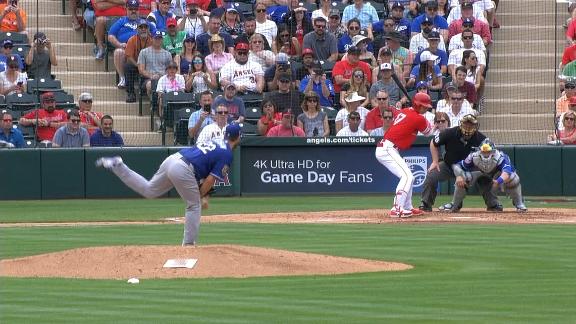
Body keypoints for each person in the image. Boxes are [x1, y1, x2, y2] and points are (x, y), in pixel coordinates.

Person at [95, 123, 242, 246]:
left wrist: (203, 194)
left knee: (149, 190)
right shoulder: (227, 154)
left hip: (174, 159)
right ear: (238, 137)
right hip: (184, 168)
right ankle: (189, 245)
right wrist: (200, 195)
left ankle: (118, 165)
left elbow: (205, 174)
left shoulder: (216, 141)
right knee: (194, 205)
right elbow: (210, 180)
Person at [419, 114, 501, 211]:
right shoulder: (449, 133)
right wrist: (435, 161)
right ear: (461, 124)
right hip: (448, 166)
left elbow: (491, 153)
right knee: (431, 175)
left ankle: (493, 204)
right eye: (466, 125)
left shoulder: (481, 139)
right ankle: (425, 204)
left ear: (476, 126)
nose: (468, 127)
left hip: (470, 168)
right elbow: (433, 143)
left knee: (485, 177)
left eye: (471, 125)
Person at [375, 93, 436, 217]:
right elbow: (428, 132)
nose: (426, 109)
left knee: (410, 177)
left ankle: (407, 206)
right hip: (388, 149)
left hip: (388, 148)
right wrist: (433, 124)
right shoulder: (418, 118)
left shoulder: (407, 111)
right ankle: (397, 208)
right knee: (407, 176)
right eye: (423, 106)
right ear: (417, 105)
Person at [442, 138, 528, 213]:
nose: (486, 153)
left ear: (493, 151)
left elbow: (507, 172)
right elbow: (458, 166)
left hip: (497, 177)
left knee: (513, 179)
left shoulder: (501, 157)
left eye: (488, 151)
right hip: (481, 176)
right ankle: (455, 204)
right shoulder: (473, 157)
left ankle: (519, 204)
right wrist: (459, 176)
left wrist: (498, 181)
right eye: (484, 151)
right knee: (464, 177)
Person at [108, 2, 150, 88]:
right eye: (131, 9)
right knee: (118, 52)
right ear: (126, 9)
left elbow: (155, 34)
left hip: (143, 50)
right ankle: (122, 78)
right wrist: (119, 44)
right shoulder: (122, 21)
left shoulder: (144, 21)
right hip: (126, 50)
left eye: (135, 9)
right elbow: (110, 36)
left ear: (139, 10)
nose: (133, 11)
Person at [124, 20, 153, 103]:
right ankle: (130, 93)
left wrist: (144, 67)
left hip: (148, 66)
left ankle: (145, 90)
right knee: (127, 67)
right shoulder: (132, 40)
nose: (143, 29)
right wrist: (138, 65)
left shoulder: (152, 40)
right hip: (135, 65)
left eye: (145, 27)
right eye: (141, 27)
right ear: (137, 29)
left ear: (148, 29)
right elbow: (129, 56)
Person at [138, 30, 173, 97]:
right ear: (151, 39)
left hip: (164, 78)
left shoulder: (167, 54)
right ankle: (154, 105)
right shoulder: (144, 52)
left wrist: (163, 77)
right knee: (150, 85)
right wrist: (151, 76)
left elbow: (170, 69)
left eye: (159, 38)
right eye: (156, 38)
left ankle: (165, 104)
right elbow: (141, 70)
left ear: (162, 39)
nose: (158, 40)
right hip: (149, 78)